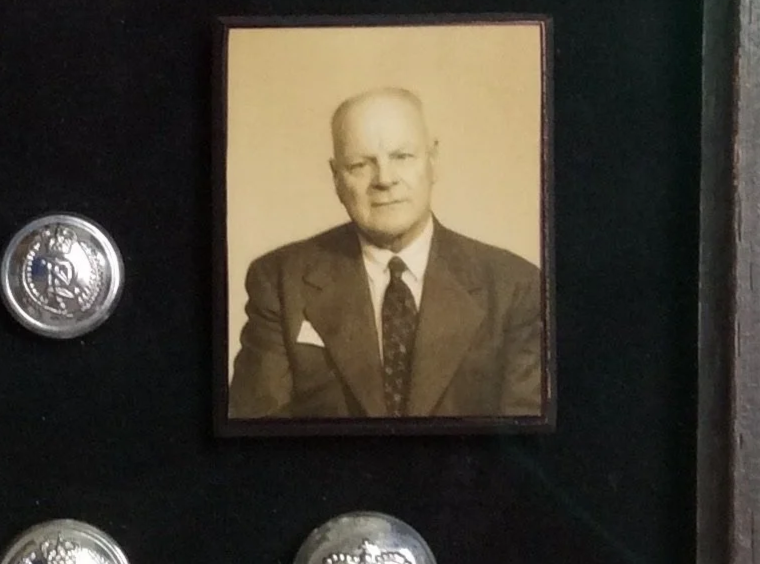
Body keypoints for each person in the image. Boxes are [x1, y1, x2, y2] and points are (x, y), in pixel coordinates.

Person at [229, 86, 544, 421]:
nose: (385, 179)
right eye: (360, 165)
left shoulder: (515, 286)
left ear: (433, 161)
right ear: (336, 177)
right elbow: (259, 432)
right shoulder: (279, 280)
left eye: (402, 157)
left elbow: (522, 443)